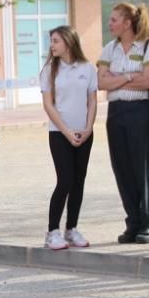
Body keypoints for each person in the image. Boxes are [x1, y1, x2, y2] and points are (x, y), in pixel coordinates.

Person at [97, 3, 149, 244]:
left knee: (142, 168)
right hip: (116, 112)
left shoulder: (148, 46)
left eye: (114, 19)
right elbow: (101, 82)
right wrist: (128, 77)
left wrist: (118, 80)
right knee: (122, 168)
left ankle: (148, 222)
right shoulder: (109, 49)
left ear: (127, 23)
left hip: (139, 111)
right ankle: (132, 220)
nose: (110, 23)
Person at [40, 26, 98, 250]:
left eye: (56, 40)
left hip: (84, 133)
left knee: (78, 182)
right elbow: (48, 104)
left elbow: (92, 100)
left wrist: (88, 128)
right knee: (65, 180)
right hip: (59, 133)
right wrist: (66, 131)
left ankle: (71, 228)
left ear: (68, 41)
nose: (52, 45)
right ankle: (52, 231)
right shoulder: (49, 71)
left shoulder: (87, 68)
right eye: (51, 41)